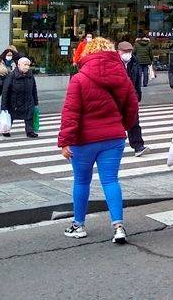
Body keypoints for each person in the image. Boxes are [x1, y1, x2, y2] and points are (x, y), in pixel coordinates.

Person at [58, 37, 139, 244]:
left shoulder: (79, 78)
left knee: (82, 181)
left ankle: (78, 225)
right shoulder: (122, 76)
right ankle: (119, 226)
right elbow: (132, 107)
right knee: (111, 180)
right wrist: (123, 126)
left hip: (84, 139)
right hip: (113, 137)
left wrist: (65, 141)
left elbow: (71, 113)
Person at [118, 41, 148, 157]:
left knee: (134, 121)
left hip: (131, 96)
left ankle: (138, 146)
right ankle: (114, 147)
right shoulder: (114, 62)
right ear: (119, 51)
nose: (127, 54)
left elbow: (137, 80)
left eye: (129, 51)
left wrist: (138, 95)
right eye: (125, 52)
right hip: (118, 97)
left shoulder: (134, 62)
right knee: (116, 123)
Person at [1, 57, 39, 138]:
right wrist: (4, 105)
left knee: (29, 115)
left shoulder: (30, 75)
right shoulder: (11, 75)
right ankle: (6, 130)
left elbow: (34, 89)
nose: (27, 67)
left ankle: (30, 131)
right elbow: (5, 91)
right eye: (25, 64)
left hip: (28, 100)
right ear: (18, 65)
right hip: (14, 101)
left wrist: (36, 102)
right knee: (11, 116)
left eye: (28, 65)